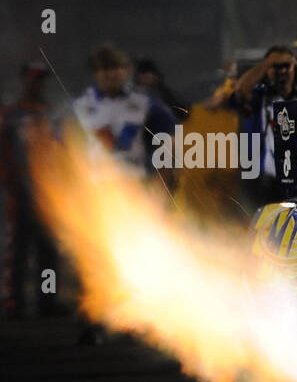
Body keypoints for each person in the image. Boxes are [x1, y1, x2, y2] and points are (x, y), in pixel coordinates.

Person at [1, 62, 59, 319]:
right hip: (20, 189)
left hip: (50, 192)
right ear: (25, 80)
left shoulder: (52, 114)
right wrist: (7, 180)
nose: (38, 84)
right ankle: (15, 302)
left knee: (48, 248)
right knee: (19, 248)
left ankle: (47, 300)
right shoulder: (10, 115)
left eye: (42, 79)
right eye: (34, 79)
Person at [70, 44, 173, 176]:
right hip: (95, 185)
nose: (112, 75)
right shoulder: (80, 105)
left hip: (135, 183)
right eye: (106, 69)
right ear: (95, 72)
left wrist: (162, 179)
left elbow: (167, 140)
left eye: (117, 68)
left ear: (125, 71)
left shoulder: (143, 103)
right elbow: (66, 146)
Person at [231, 44, 297, 188]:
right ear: (266, 71)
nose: (283, 71)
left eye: (287, 65)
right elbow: (241, 91)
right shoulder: (260, 98)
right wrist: (268, 62)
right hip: (266, 181)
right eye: (277, 67)